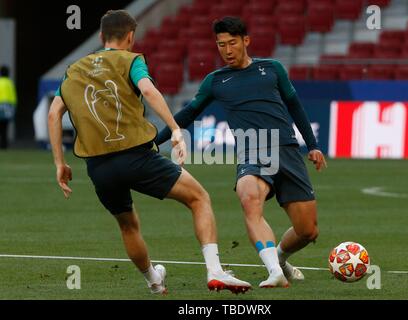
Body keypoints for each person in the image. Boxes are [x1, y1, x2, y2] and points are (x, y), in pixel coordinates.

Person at [48, 10, 251, 295]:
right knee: (199, 198)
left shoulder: (74, 69)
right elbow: (149, 90)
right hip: (137, 157)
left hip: (98, 168)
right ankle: (215, 271)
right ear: (130, 36)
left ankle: (154, 281)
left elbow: (54, 113)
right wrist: (175, 129)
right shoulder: (132, 60)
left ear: (100, 37)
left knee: (128, 227)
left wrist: (59, 162)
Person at [155, 17, 327, 288]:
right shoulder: (216, 81)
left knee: (307, 230)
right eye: (221, 44)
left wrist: (313, 145)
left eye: (232, 43)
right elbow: (188, 113)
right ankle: (274, 271)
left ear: (246, 41)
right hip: (252, 150)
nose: (227, 50)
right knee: (249, 197)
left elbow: (294, 106)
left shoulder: (272, 69)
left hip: (287, 150)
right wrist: (157, 141)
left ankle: (280, 259)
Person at [0, 65, 17, 149]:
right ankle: (4, 146)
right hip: (8, 107)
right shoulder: (10, 83)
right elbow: (13, 97)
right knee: (5, 128)